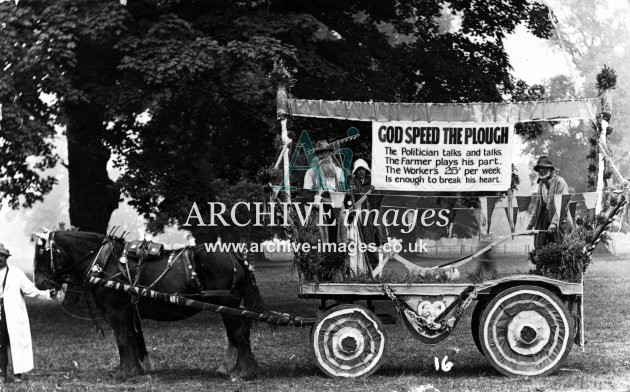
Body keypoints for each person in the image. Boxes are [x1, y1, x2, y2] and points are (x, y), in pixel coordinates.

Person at [0, 244, 56, 383]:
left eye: (2, 255)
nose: (0, 258)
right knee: (0, 344)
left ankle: (17, 374)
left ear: (7, 257)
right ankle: (1, 375)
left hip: (13, 314)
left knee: (16, 342)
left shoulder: (16, 273)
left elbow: (31, 291)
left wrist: (48, 294)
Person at [526, 156, 574, 250]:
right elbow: (538, 207)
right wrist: (530, 225)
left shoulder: (560, 182)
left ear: (550, 169)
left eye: (544, 168)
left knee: (563, 250)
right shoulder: (541, 185)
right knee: (543, 249)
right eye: (540, 168)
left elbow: (563, 205)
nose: (541, 170)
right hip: (547, 226)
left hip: (561, 223)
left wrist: (554, 222)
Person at [303, 140, 346, 242]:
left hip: (337, 210)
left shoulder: (339, 171)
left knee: (337, 240)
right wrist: (319, 199)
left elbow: (343, 192)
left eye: (326, 152)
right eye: (321, 153)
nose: (324, 156)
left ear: (330, 154)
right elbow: (307, 195)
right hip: (318, 211)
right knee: (321, 241)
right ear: (317, 156)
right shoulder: (310, 173)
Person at [347, 159, 386, 268]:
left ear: (366, 170)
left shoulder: (372, 183)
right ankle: (360, 267)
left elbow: (377, 200)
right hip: (357, 214)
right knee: (358, 240)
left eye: (363, 169)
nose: (361, 171)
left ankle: (374, 266)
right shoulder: (352, 181)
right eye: (358, 169)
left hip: (370, 213)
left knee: (370, 240)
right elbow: (350, 198)